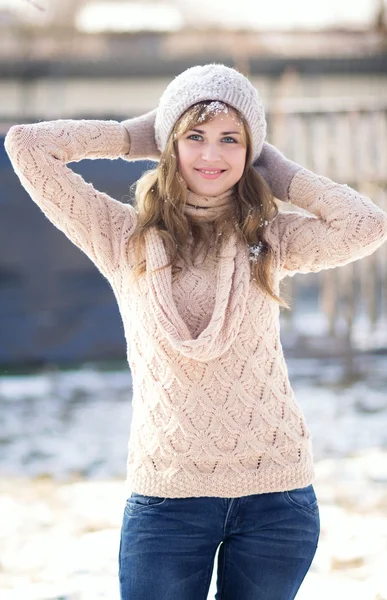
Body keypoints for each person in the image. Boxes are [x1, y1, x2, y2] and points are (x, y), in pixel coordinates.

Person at [5, 63, 387, 600]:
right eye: (195, 137)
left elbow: (365, 225)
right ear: (170, 145)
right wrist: (132, 136)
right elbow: (26, 146)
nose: (212, 155)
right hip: (168, 499)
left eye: (231, 140)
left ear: (250, 150)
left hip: (275, 496)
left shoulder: (270, 238)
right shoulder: (121, 237)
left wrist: (273, 167)